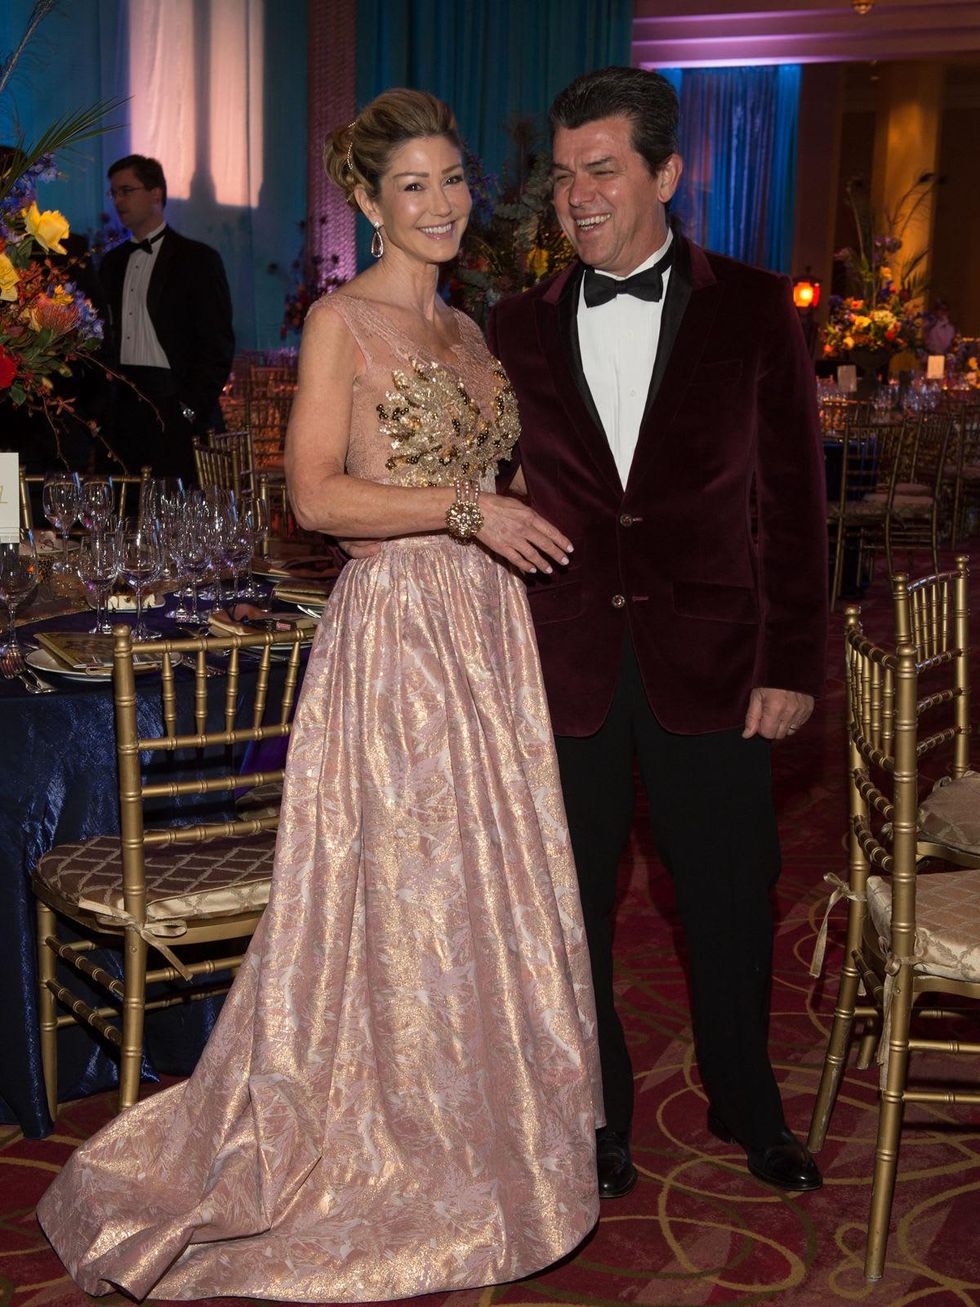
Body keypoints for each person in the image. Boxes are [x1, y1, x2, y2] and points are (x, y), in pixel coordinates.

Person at [36, 90, 601, 1302]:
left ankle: (487, 1135)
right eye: (414, 186)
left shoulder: (469, 327)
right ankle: (384, 1141)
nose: (442, 204)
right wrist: (465, 508)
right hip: (398, 636)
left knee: (483, 890)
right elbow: (315, 497)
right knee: (401, 890)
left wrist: (513, 516)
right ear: (368, 200)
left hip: (486, 633)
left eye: (452, 180)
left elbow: (492, 475)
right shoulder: (341, 320)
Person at [487, 66, 828, 1199]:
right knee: (571, 902)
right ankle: (596, 1113)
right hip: (564, 658)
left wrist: (790, 662)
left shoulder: (754, 309)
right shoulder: (512, 326)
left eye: (601, 170)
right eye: (561, 176)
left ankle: (746, 1098)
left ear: (667, 173)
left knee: (730, 891)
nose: (575, 197)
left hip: (717, 658)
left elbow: (791, 502)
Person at [98, 154, 234, 481]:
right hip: (125, 406)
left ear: (156, 194)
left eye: (126, 190)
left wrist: (189, 408)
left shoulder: (197, 259)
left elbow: (217, 344)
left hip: (174, 400)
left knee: (178, 500)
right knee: (125, 499)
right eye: (113, 193)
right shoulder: (111, 263)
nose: (118, 201)